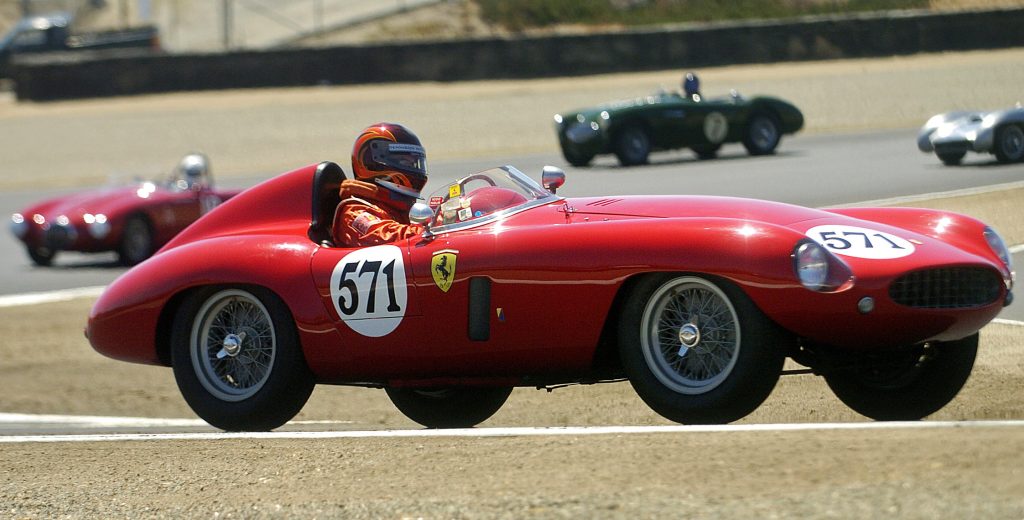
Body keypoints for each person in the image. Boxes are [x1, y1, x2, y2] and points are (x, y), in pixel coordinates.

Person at [332, 122, 428, 247]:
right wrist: (436, 225)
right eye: (405, 162)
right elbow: (394, 239)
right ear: (373, 163)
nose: (413, 169)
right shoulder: (354, 212)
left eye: (414, 163)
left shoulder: (399, 207)